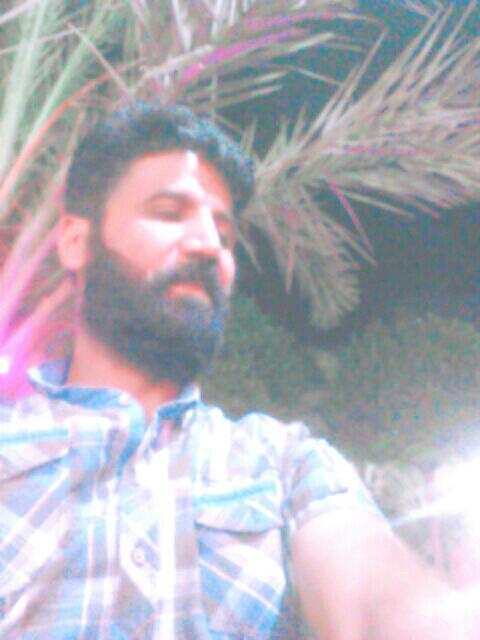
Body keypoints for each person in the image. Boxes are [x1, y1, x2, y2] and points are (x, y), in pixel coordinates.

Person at [0, 102, 471, 639]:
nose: (209, 247)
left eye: (224, 235)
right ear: (75, 241)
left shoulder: (283, 466)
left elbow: (376, 604)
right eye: (169, 212)